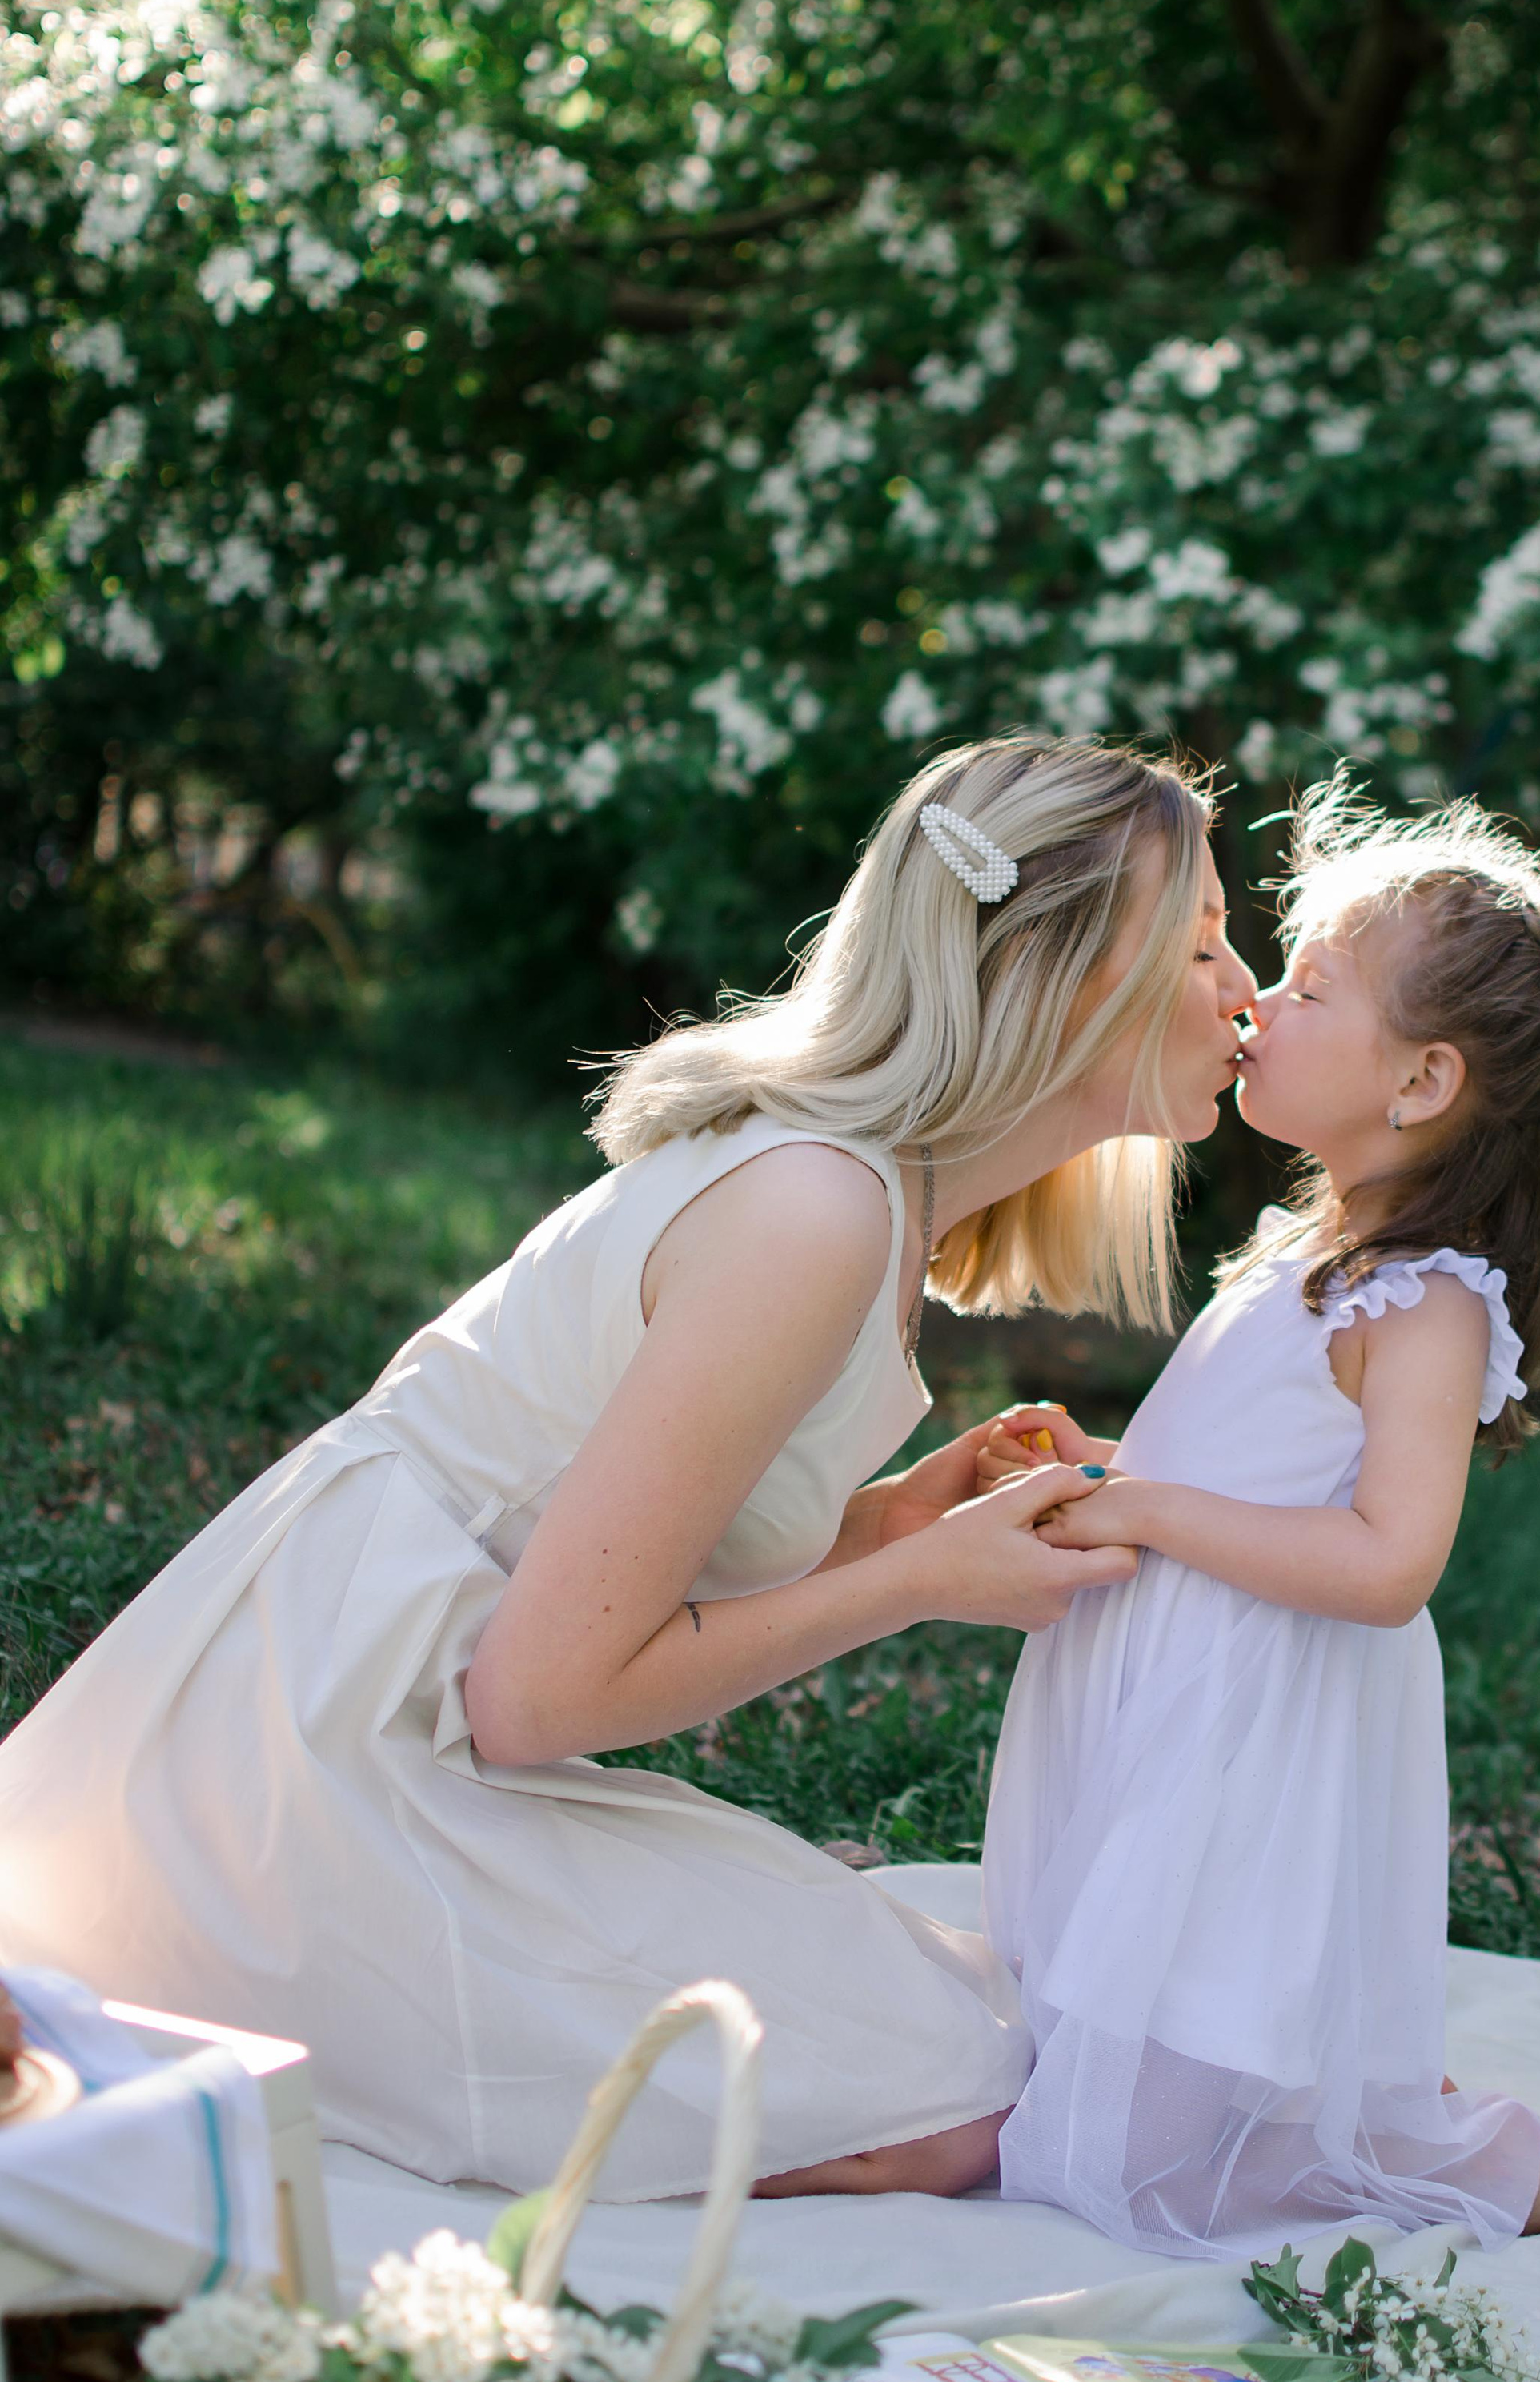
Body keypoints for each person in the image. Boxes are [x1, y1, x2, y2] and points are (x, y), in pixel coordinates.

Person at [0, 737, 1257, 2203]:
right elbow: (538, 1698)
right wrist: (922, 1582)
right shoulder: (814, 1210)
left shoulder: (869, 1195)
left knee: (973, 2038)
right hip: (324, 1759)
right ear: (1065, 976)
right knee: (953, 2099)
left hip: (408, 1708)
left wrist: (888, 1526)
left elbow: (626, 1546)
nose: (1247, 988)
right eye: (1210, 944)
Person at [977, 788, 1540, 2259]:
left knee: (1126, 2153)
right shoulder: (1318, 1246)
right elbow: (1244, 1459)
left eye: (1310, 988)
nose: (1259, 1003)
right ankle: (1319, 2107)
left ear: (1420, 1086)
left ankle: (1479, 2161)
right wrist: (1110, 1473)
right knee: (1087, 2009)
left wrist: (1144, 1504)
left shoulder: (1430, 1301)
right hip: (1176, 1680)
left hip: (1253, 1721)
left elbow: (1390, 1563)